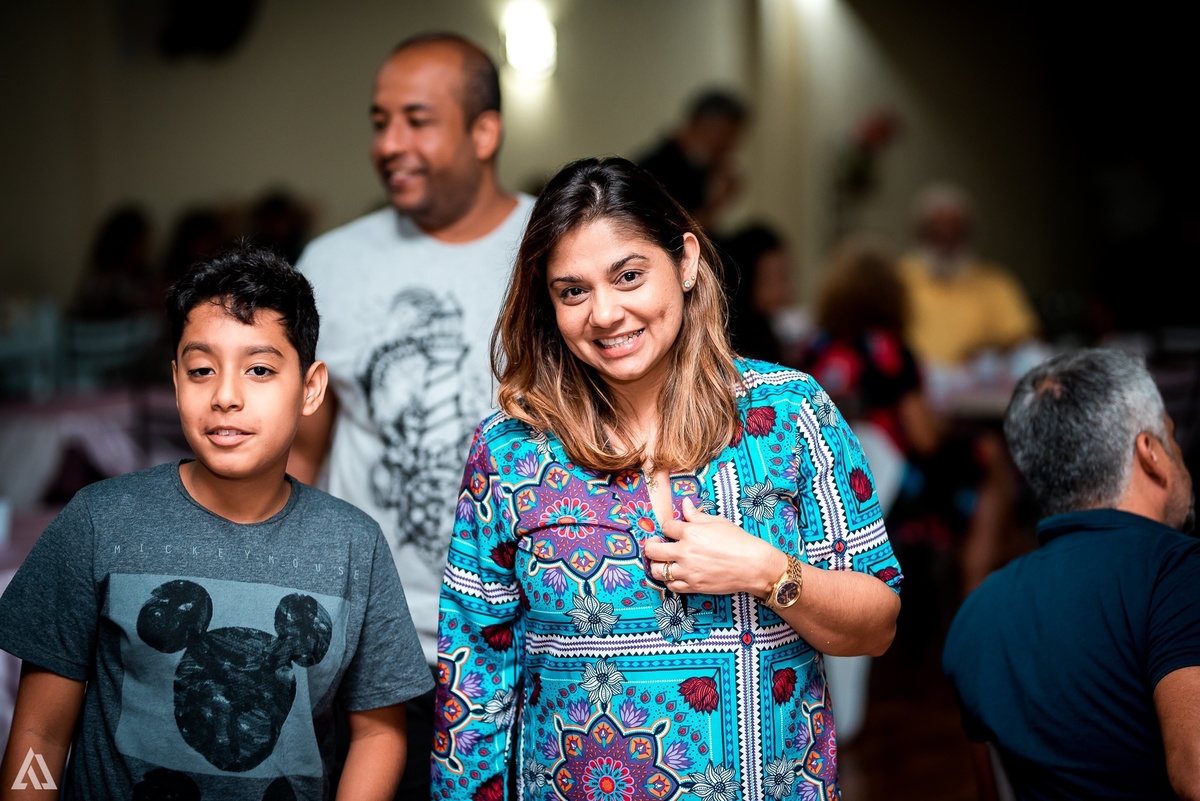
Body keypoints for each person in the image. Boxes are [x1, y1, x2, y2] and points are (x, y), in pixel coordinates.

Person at [431, 157, 902, 800]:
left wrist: (768, 572)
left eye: (628, 276)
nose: (605, 313)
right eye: (573, 291)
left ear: (683, 262)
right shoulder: (512, 450)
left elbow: (876, 625)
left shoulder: (791, 415)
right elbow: (474, 684)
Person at [0, 244, 432, 799]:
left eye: (259, 369)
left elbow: (377, 733)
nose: (226, 396)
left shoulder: (354, 544)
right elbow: (39, 733)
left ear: (311, 387)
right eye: (202, 369)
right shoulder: (99, 521)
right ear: (176, 381)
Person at [288, 31, 535, 795]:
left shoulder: (553, 248)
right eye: (379, 121)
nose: (390, 143)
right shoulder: (331, 263)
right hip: (373, 647)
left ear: (484, 131)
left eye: (417, 120)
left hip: (531, 647)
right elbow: (298, 458)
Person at [942, 348, 1200, 800]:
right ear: (1152, 454)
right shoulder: (1177, 570)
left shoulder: (975, 614)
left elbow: (994, 791)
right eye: (1172, 440)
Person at [897, 183, 1040, 369]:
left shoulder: (995, 282)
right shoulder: (896, 280)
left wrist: (989, 350)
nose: (946, 239)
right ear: (919, 233)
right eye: (936, 232)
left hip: (979, 391)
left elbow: (1027, 339)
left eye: (955, 231)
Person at [636, 88, 749, 231]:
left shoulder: (702, 167)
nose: (731, 145)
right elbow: (674, 235)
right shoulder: (654, 170)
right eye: (728, 136)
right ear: (705, 127)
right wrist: (717, 202)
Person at [717, 222, 799, 365]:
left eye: (786, 276)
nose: (785, 288)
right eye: (775, 278)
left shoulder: (783, 331)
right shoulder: (739, 350)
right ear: (747, 279)